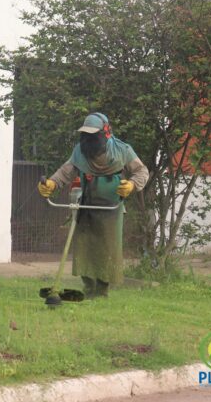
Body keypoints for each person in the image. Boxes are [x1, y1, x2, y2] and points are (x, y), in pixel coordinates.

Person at [37, 113, 149, 297]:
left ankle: (102, 290)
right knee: (84, 248)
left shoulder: (122, 150)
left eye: (92, 135)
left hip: (112, 208)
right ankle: (88, 288)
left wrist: (132, 185)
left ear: (105, 133)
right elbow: (65, 172)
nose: (88, 139)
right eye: (85, 135)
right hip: (87, 205)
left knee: (107, 249)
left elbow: (141, 171)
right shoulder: (79, 152)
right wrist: (52, 183)